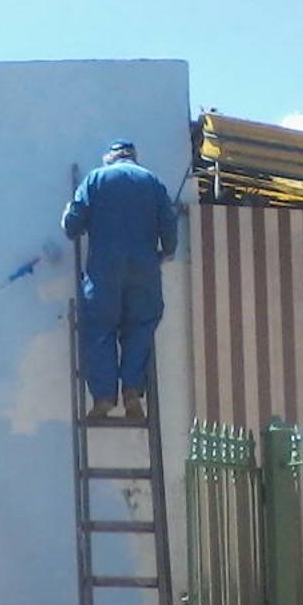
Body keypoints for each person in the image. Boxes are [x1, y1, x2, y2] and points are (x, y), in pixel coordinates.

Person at [62, 139, 178, 420]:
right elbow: (170, 229)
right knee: (140, 327)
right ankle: (131, 391)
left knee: (99, 328)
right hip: (144, 270)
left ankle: (103, 397)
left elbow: (71, 227)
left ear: (110, 158)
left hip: (104, 270)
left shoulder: (94, 180)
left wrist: (70, 211)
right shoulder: (152, 182)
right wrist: (166, 252)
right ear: (133, 158)